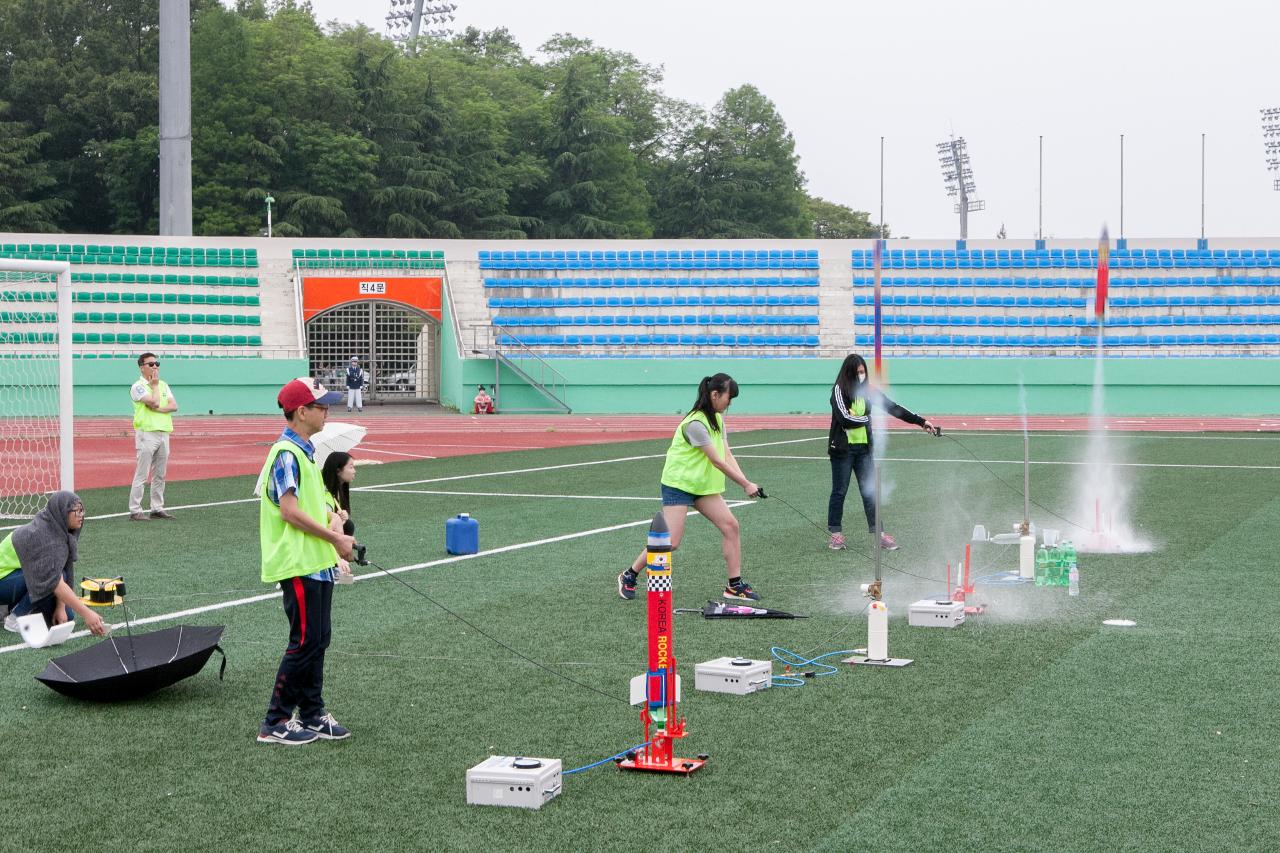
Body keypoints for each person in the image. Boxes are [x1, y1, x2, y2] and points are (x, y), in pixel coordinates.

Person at [256, 378, 356, 746]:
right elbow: (290, 512)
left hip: (316, 561)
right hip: (297, 562)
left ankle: (312, 712)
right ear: (301, 412)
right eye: (320, 405)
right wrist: (334, 537)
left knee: (318, 639)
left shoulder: (305, 453)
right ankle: (275, 720)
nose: (326, 410)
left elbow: (314, 507)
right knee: (304, 641)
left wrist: (336, 528)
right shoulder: (287, 453)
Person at [617, 373, 763, 603]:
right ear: (715, 395)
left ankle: (734, 585)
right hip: (679, 485)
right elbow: (717, 461)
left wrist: (748, 481)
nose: (730, 403)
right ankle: (629, 574)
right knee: (671, 542)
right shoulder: (695, 424)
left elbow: (727, 454)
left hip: (702, 486)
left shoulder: (718, 419)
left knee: (731, 526)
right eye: (728, 398)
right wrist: (745, 485)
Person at [826, 353, 940, 551]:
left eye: (863, 372)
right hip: (842, 451)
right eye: (857, 372)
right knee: (839, 491)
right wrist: (866, 418)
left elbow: (893, 408)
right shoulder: (839, 390)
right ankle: (836, 535)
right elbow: (844, 418)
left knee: (870, 492)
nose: (861, 375)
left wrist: (921, 422)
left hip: (863, 450)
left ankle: (879, 534)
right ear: (849, 373)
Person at [0, 491, 108, 637]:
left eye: (82, 510)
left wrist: (60, 607)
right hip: (4, 580)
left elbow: (61, 568)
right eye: (76, 511)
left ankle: (9, 607)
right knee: (53, 579)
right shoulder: (44, 535)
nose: (81, 515)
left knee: (67, 616)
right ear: (62, 512)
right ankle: (15, 618)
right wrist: (87, 613)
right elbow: (54, 581)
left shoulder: (59, 530)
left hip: (18, 578)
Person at [129, 352, 177, 521]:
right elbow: (154, 401)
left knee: (160, 474)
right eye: (151, 364)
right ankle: (135, 509)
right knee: (142, 473)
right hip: (147, 433)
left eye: (157, 363)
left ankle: (157, 508)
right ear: (142, 367)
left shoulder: (164, 384)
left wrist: (157, 409)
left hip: (164, 432)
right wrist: (154, 386)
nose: (155, 366)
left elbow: (173, 406)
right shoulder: (138, 386)